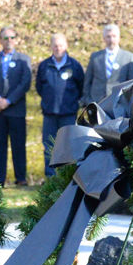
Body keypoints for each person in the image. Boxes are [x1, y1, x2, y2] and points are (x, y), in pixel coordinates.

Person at [0, 26, 31, 186]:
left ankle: (21, 178)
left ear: (16, 39)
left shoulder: (24, 60)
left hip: (16, 109)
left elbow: (25, 84)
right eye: (5, 38)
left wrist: (8, 101)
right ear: (0, 40)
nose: (9, 40)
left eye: (11, 37)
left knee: (18, 145)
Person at [35, 34, 84, 177]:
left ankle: (66, 178)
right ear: (51, 47)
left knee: (68, 146)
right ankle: (50, 177)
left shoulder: (74, 66)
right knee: (49, 146)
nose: (58, 48)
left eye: (61, 45)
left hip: (68, 114)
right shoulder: (44, 66)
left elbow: (81, 87)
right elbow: (39, 87)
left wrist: (73, 103)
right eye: (55, 45)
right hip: (49, 114)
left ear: (66, 46)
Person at [82, 24, 133, 105]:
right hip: (97, 103)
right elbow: (87, 81)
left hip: (119, 103)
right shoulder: (95, 57)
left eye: (114, 36)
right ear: (104, 38)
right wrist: (87, 100)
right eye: (108, 36)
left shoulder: (128, 58)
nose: (111, 39)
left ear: (119, 38)